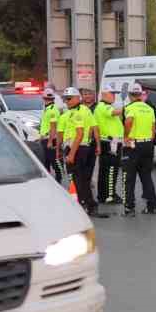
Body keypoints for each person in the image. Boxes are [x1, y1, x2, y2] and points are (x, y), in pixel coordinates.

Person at [60, 86, 103, 217]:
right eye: (65, 99)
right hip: (84, 147)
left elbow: (81, 133)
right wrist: (97, 145)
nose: (66, 101)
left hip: (76, 148)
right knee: (83, 178)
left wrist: (71, 153)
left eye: (69, 98)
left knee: (77, 178)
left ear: (77, 98)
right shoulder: (83, 110)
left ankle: (84, 204)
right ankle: (89, 204)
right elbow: (94, 128)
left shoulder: (78, 112)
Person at [120, 81, 156, 216]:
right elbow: (153, 128)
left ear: (130, 95)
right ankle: (152, 206)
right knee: (146, 176)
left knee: (128, 177)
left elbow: (128, 121)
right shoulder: (149, 108)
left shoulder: (129, 107)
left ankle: (129, 208)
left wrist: (126, 136)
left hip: (133, 145)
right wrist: (150, 140)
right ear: (140, 94)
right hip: (148, 144)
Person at [93, 85, 124, 207]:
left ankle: (103, 195)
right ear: (105, 94)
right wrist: (129, 108)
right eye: (112, 93)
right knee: (111, 170)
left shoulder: (104, 106)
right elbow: (114, 112)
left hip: (108, 142)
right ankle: (110, 196)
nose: (114, 96)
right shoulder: (103, 106)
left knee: (104, 170)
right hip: (110, 143)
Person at [38, 89, 62, 180]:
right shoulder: (46, 109)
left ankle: (58, 180)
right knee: (46, 162)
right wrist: (41, 137)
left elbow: (53, 127)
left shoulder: (53, 110)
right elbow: (45, 125)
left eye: (49, 99)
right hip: (45, 138)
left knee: (55, 162)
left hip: (51, 139)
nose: (48, 100)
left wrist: (50, 141)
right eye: (47, 99)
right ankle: (48, 180)